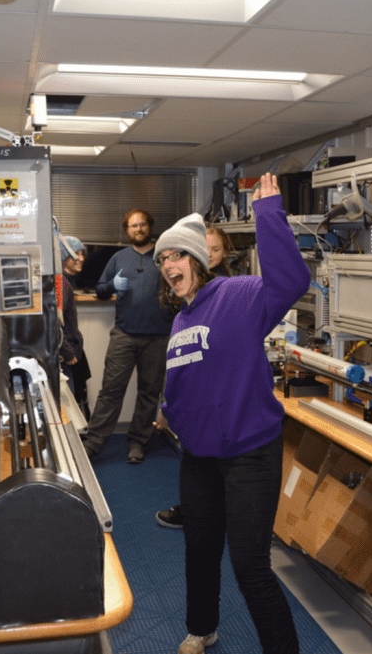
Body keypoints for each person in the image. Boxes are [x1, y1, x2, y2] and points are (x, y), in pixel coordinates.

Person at [153, 173, 308, 654]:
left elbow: (292, 281)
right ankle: (203, 627)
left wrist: (269, 215)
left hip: (249, 453)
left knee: (250, 567)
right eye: (161, 259)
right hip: (198, 456)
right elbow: (183, 378)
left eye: (175, 254)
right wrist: (167, 408)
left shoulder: (238, 297)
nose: (167, 265)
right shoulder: (181, 318)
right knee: (199, 550)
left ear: (197, 259)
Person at [81, 209, 175, 464]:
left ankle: (137, 442)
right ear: (127, 230)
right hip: (124, 335)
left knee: (149, 392)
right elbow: (100, 291)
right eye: (133, 226)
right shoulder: (118, 258)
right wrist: (112, 286)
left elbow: (179, 288)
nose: (138, 229)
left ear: (150, 226)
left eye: (142, 224)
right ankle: (93, 444)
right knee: (110, 391)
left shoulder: (164, 257)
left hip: (158, 336)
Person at [155, 224, 233, 530]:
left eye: (215, 250)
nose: (210, 255)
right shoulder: (183, 312)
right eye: (164, 259)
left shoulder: (230, 292)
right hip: (196, 416)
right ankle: (197, 512)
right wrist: (166, 406)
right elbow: (179, 366)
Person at [59, 235, 91, 420]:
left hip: (70, 352)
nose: (81, 259)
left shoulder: (67, 282)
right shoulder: (61, 283)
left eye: (82, 254)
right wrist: (69, 352)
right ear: (64, 257)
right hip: (66, 358)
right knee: (68, 413)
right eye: (76, 255)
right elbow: (56, 323)